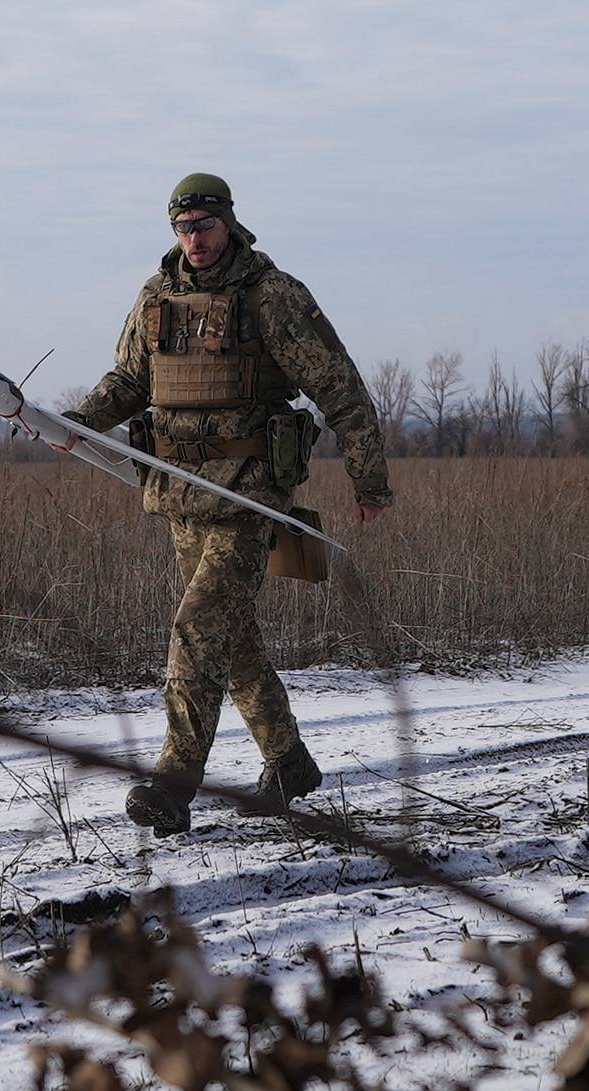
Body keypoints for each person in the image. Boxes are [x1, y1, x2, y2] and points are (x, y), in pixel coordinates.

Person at [65, 173, 392, 836]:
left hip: (248, 494)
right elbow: (130, 379)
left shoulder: (270, 295)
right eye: (183, 228)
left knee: (197, 630)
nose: (195, 239)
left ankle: (174, 782)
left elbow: (340, 386)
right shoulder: (156, 296)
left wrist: (369, 479)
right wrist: (75, 420)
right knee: (230, 638)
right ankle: (288, 759)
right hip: (180, 493)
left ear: (230, 223)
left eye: (205, 227)